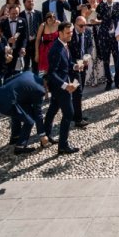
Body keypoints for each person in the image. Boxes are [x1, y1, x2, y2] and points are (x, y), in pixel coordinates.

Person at [0, 70, 52, 154]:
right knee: (29, 121)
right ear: (47, 83)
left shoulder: (29, 73)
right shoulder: (39, 90)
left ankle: (15, 137)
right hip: (6, 104)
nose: (47, 90)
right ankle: (20, 147)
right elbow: (38, 113)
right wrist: (42, 135)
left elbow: (8, 80)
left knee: (18, 113)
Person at [43, 21, 80, 155]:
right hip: (60, 87)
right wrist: (66, 86)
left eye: (71, 32)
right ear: (60, 33)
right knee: (69, 114)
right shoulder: (56, 49)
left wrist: (75, 66)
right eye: (68, 33)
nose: (70, 35)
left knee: (53, 109)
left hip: (62, 85)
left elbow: (66, 63)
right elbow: (51, 72)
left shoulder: (64, 45)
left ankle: (45, 135)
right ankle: (63, 146)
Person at [96, 0, 119, 91]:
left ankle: (117, 80)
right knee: (106, 61)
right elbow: (98, 13)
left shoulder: (118, 5)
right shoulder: (102, 6)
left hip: (116, 37)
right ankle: (109, 81)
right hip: (104, 37)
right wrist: (103, 0)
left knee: (117, 60)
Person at [68, 16, 92, 128]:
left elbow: (89, 46)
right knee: (77, 92)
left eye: (85, 25)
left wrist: (87, 56)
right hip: (74, 68)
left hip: (84, 65)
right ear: (75, 25)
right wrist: (76, 64)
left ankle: (75, 114)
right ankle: (78, 119)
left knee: (79, 90)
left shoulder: (87, 32)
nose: (84, 28)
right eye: (81, 26)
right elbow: (68, 53)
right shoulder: (70, 34)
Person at [0, 4, 26, 78]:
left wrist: (23, 47)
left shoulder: (22, 21)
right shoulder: (3, 23)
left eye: (17, 13)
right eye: (13, 13)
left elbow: (24, 36)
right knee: (7, 72)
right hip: (7, 52)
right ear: (9, 12)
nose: (15, 15)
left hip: (18, 51)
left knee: (17, 72)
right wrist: (7, 40)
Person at [35, 11, 60, 85]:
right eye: (49, 18)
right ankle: (44, 89)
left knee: (55, 69)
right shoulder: (43, 25)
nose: (51, 20)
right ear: (46, 19)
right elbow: (38, 39)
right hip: (45, 50)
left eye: (53, 18)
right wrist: (37, 53)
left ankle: (54, 87)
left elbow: (63, 36)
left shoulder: (58, 24)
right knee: (44, 71)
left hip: (55, 49)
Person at [19, 0, 42, 73]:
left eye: (32, 1)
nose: (31, 3)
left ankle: (35, 83)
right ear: (24, 3)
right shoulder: (20, 15)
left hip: (36, 43)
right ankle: (27, 82)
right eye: (28, 1)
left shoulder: (39, 14)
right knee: (26, 65)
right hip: (25, 44)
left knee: (36, 64)